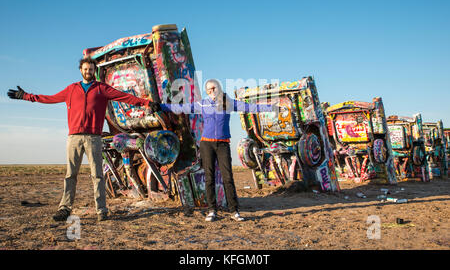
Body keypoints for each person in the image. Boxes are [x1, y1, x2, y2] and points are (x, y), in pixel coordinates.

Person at [7, 58, 154, 222]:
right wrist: (26, 96)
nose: (88, 72)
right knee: (70, 175)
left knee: (97, 175)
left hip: (93, 138)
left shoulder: (101, 89)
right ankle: (64, 209)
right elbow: (50, 98)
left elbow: (124, 97)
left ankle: (101, 210)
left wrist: (146, 103)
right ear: (80, 70)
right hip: (74, 139)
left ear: (94, 71)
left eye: (91, 69)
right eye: (85, 69)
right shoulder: (71, 89)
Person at [153, 79, 275, 222]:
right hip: (207, 145)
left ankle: (234, 211)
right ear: (207, 92)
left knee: (228, 177)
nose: (212, 92)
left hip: (223, 145)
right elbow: (183, 108)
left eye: (214, 88)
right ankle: (212, 210)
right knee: (209, 177)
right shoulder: (203, 104)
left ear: (219, 88)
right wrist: (161, 107)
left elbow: (248, 107)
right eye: (209, 90)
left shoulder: (228, 103)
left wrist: (270, 107)